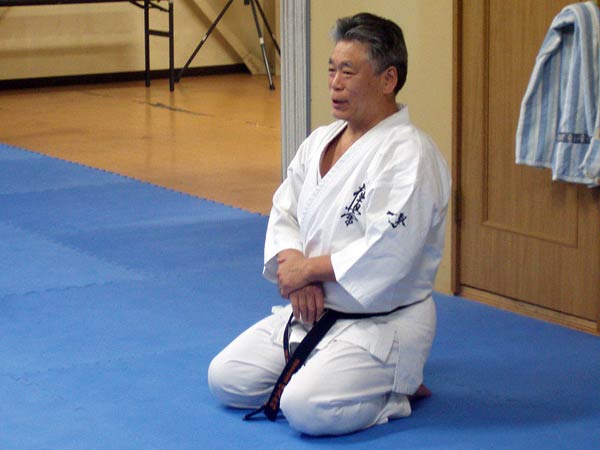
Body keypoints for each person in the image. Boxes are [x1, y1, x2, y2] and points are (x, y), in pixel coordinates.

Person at [208, 12, 451, 436]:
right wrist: (296, 271)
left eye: (348, 72)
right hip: (312, 310)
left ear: (388, 79)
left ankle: (396, 390)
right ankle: (334, 373)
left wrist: (309, 270)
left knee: (304, 409)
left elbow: (388, 251)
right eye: (331, 70)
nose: (335, 83)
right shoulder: (319, 140)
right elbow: (285, 211)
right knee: (227, 378)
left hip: (381, 322)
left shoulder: (411, 155)